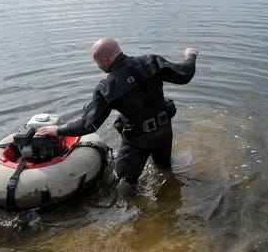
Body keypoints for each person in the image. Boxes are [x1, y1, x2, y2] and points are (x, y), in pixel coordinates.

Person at [36, 37, 198, 193]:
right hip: (164, 132)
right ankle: (170, 195)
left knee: (123, 184)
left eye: (97, 62)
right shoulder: (151, 61)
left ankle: (136, 215)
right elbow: (185, 75)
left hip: (138, 142)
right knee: (164, 168)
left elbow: (87, 125)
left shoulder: (107, 88)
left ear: (105, 60)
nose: (98, 66)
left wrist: (56, 130)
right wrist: (190, 55)